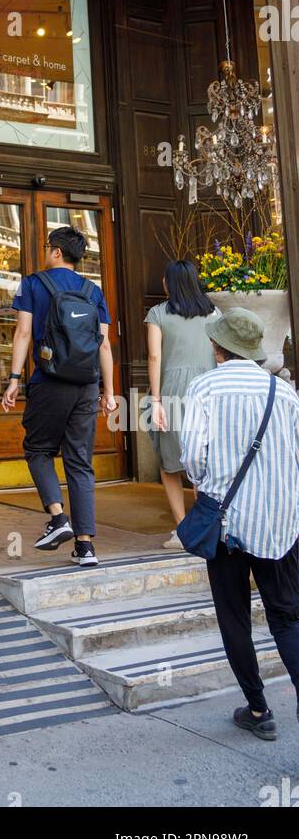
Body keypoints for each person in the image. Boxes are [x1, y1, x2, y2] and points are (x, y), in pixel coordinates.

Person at [181, 307, 299, 741]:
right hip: (282, 523)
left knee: (235, 619)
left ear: (217, 347)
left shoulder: (205, 387)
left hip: (227, 523)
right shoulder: (283, 392)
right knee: (287, 619)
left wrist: (207, 483)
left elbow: (192, 456)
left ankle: (258, 708)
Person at [1, 225, 117, 567]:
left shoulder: (33, 284)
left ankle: (57, 517)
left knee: (37, 449)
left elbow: (23, 333)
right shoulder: (93, 291)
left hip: (49, 381)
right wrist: (108, 392)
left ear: (55, 252)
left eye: (46, 246)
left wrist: (13, 379)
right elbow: (104, 344)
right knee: (80, 461)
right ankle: (85, 547)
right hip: (86, 384)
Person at [144, 260, 217, 550]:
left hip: (172, 391)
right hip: (208, 391)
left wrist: (156, 400)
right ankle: (205, 528)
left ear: (170, 283)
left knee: (170, 464)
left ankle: (182, 529)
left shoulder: (158, 313)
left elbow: (154, 358)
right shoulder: (215, 313)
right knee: (205, 464)